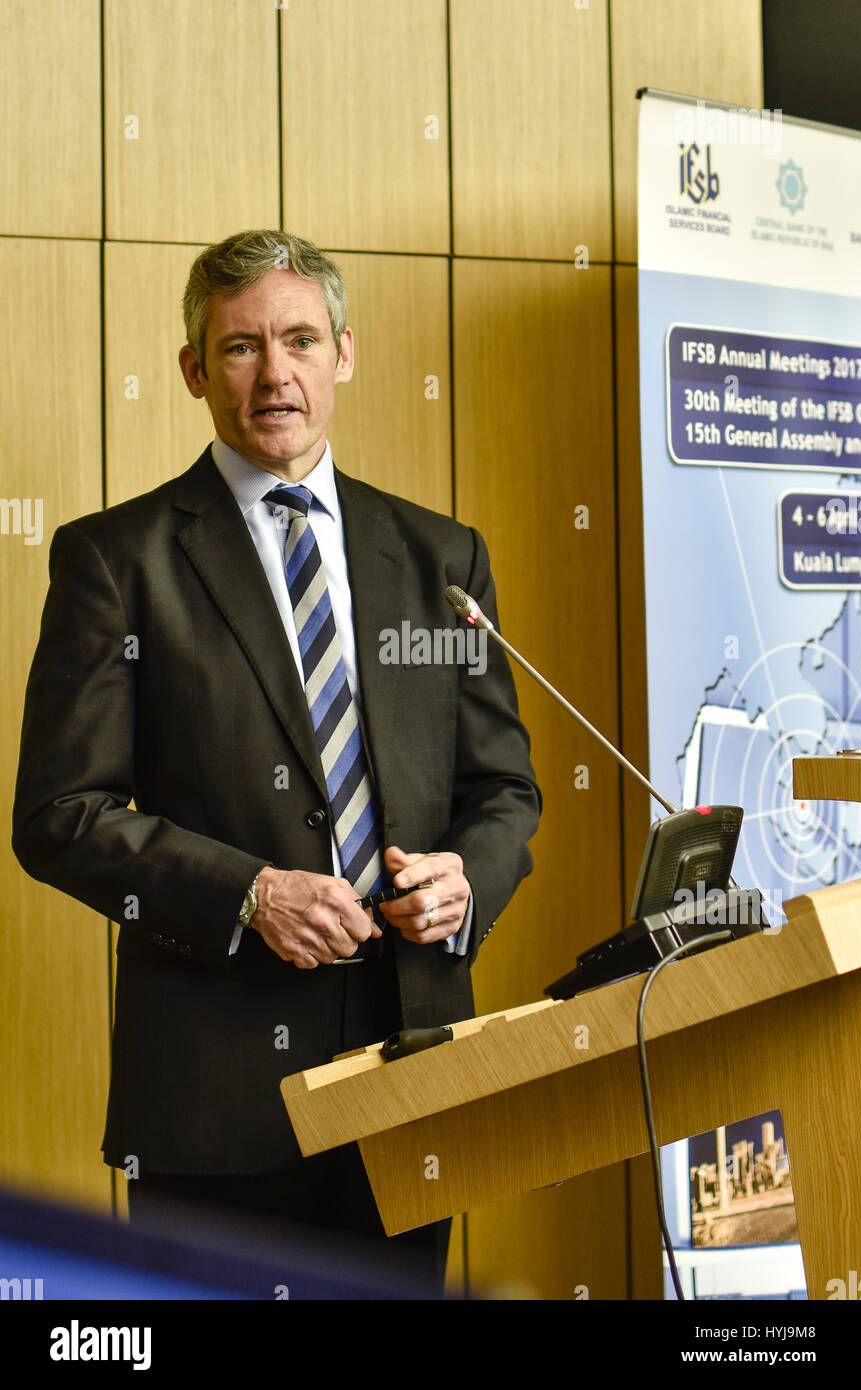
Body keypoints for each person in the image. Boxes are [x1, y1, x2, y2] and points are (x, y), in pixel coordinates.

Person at [12, 229, 541, 1290]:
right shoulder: (117, 561)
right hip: (215, 1092)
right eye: (241, 346)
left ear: (342, 354)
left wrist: (463, 881)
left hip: (412, 1066)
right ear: (194, 370)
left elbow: (502, 791)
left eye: (299, 339)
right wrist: (248, 894)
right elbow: (59, 814)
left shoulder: (440, 560)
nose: (275, 372)